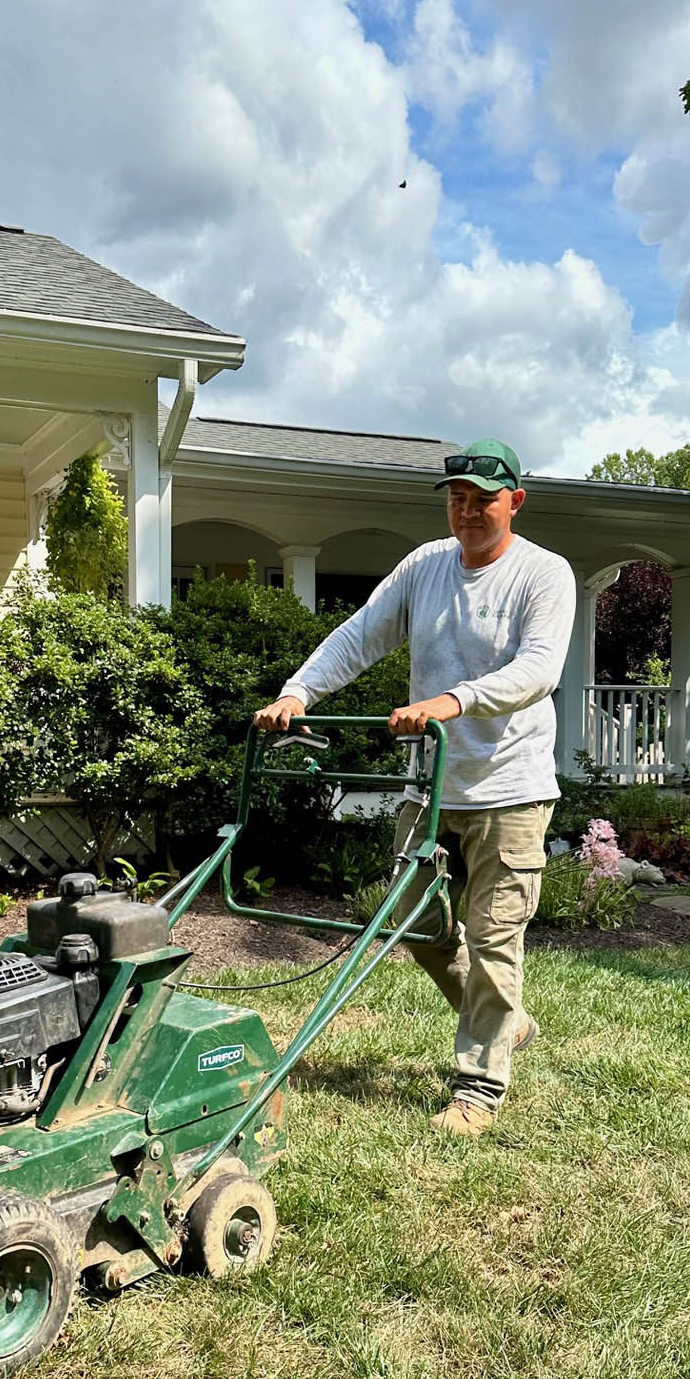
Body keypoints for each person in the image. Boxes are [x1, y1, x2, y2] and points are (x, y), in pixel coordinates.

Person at [252, 438, 576, 1136]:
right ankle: (506, 1023)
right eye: (457, 500)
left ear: (515, 502)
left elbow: (540, 669)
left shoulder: (543, 574)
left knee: (493, 939)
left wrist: (451, 701)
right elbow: (360, 636)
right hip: (428, 787)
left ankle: (478, 1087)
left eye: (483, 500)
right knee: (415, 922)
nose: (468, 512)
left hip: (509, 788)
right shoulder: (425, 566)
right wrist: (298, 692)